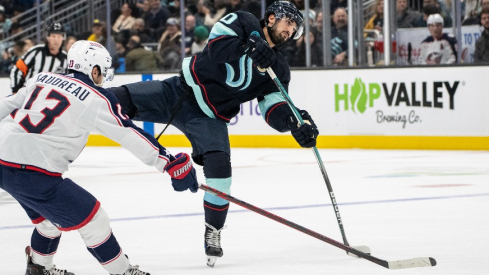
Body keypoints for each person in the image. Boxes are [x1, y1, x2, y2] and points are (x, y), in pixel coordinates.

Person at [108, 0, 318, 267]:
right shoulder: (244, 22)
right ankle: (73, 103)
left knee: (221, 173)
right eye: (289, 23)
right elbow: (216, 50)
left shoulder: (279, 69)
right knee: (111, 100)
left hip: (209, 118)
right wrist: (249, 44)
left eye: (295, 29)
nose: (290, 31)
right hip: (177, 92)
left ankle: (213, 230)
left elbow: (272, 109)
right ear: (273, 18)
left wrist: (293, 121)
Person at [0, 40, 198, 275]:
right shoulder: (95, 97)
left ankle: (39, 268)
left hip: (3, 162)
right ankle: (123, 272)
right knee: (95, 220)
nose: (103, 77)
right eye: (102, 71)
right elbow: (129, 133)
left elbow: (7, 104)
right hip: (34, 171)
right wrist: (169, 163)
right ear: (93, 69)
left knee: (49, 219)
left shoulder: (41, 78)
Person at [10, 22, 67, 94]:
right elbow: (17, 69)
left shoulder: (66, 59)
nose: (56, 40)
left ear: (63, 38)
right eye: (53, 36)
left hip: (51, 100)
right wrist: (15, 90)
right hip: (28, 95)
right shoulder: (35, 52)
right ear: (48, 37)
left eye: (59, 37)